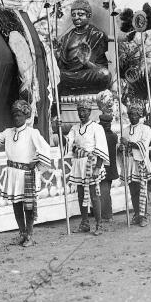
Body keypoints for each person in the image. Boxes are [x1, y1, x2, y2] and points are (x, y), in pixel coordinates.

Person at [0, 100, 52, 246]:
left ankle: (29, 235)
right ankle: (22, 233)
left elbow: (45, 149)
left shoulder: (32, 133)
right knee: (16, 204)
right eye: (14, 115)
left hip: (26, 174)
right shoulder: (8, 133)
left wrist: (36, 162)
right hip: (13, 173)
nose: (16, 118)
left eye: (19, 115)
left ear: (26, 116)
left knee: (27, 206)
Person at [65, 99, 109, 235]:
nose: (81, 114)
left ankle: (99, 224)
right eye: (79, 111)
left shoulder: (97, 128)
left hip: (91, 163)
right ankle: (84, 223)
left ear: (89, 112)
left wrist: (97, 167)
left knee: (94, 195)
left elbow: (101, 148)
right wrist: (59, 128)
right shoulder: (75, 128)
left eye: (84, 111)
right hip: (79, 164)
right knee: (80, 194)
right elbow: (68, 142)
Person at [56, 0, 111, 94]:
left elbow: (101, 66)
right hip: (69, 75)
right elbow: (61, 64)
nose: (76, 17)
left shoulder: (97, 35)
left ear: (88, 16)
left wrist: (86, 62)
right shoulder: (66, 37)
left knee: (104, 74)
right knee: (54, 75)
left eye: (80, 14)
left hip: (87, 73)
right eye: (73, 15)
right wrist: (56, 53)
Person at [119, 102, 151, 227]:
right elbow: (122, 147)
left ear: (140, 115)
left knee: (142, 189)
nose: (132, 117)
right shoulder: (125, 130)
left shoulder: (146, 129)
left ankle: (143, 215)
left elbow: (143, 145)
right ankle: (136, 213)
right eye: (130, 114)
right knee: (133, 190)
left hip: (140, 162)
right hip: (129, 162)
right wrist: (121, 147)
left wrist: (128, 143)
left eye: (135, 114)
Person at [98, 113, 118, 224]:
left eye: (108, 123)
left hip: (104, 167)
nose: (108, 125)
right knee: (105, 191)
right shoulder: (113, 135)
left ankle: (107, 214)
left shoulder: (107, 136)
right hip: (110, 168)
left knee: (104, 191)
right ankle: (106, 213)